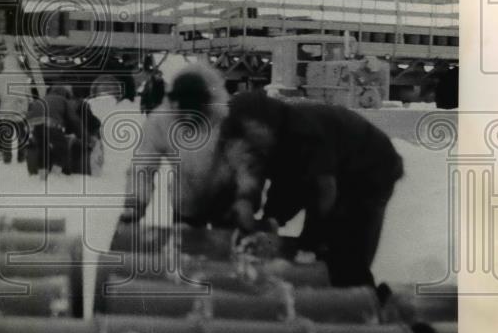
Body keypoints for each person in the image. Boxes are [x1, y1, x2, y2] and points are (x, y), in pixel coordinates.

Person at [215, 91, 405, 287]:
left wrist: (311, 241)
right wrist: (270, 218)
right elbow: (287, 181)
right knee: (326, 245)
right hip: (336, 168)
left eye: (251, 134)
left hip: (371, 168)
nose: (251, 147)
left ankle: (361, 298)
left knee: (346, 244)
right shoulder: (263, 137)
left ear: (265, 123)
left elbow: (324, 190)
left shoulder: (303, 130)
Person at [120, 64, 230, 227]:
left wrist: (245, 198)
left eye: (194, 112)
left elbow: (244, 163)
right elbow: (143, 167)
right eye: (183, 111)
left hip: (226, 196)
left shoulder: (225, 118)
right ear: (173, 103)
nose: (188, 117)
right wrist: (135, 203)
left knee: (227, 247)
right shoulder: (161, 120)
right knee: (187, 246)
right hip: (186, 196)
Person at [26, 84, 82, 176]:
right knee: (62, 148)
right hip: (51, 124)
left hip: (35, 126)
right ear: (63, 93)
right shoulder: (62, 100)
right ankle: (55, 174)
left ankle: (42, 175)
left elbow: (30, 113)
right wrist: (81, 135)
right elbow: (73, 119)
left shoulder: (42, 99)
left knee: (42, 148)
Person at [0, 53, 32, 164]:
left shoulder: (0, 77)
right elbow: (28, 93)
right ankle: (21, 156)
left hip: (5, 107)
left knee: (7, 133)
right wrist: (30, 102)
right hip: (20, 106)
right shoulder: (23, 76)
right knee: (21, 132)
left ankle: (7, 157)